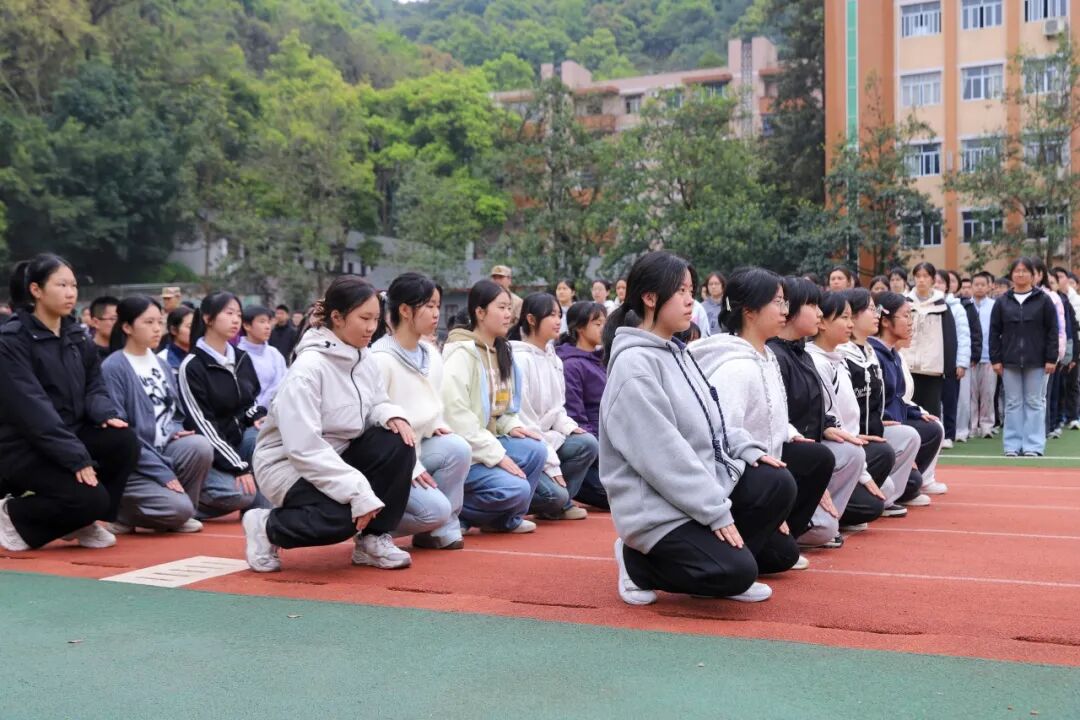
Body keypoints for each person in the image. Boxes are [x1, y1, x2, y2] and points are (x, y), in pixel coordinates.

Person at [602, 253, 794, 606]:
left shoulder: (678, 353)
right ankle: (637, 562)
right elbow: (663, 457)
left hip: (696, 493)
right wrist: (716, 512)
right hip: (658, 509)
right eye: (681, 291)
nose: (690, 300)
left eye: (691, 290)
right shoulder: (634, 365)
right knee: (736, 572)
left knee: (777, 486)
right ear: (650, 297)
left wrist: (746, 448)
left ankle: (721, 562)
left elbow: (713, 419)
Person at [244, 276, 417, 572]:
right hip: (289, 466)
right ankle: (266, 526)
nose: (371, 327)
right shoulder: (308, 370)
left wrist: (390, 414)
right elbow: (304, 449)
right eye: (364, 318)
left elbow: (377, 400)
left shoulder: (364, 358)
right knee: (343, 516)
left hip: (338, 454)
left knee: (397, 439)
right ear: (337, 317)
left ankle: (373, 539)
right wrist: (357, 490)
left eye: (375, 319)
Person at [693, 268, 838, 571]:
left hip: (764, 466)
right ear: (749, 311)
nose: (785, 310)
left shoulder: (766, 356)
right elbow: (722, 437)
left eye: (785, 302)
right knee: (780, 482)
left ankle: (766, 532)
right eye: (778, 302)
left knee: (815, 459)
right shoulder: (734, 367)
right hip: (733, 478)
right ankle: (726, 552)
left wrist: (790, 433)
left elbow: (772, 413)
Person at [0, 254, 139, 552]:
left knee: (123, 441)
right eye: (61, 285)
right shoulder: (12, 340)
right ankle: (13, 514)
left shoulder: (76, 335)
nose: (70, 293)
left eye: (73, 285)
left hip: (68, 434)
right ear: (36, 290)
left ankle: (80, 521)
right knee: (91, 499)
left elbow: (94, 385)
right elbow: (33, 410)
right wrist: (77, 457)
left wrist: (103, 413)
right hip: (23, 446)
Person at [371, 272, 470, 551]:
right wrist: (410, 465)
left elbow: (431, 403)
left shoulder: (431, 355)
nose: (436, 313)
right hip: (391, 458)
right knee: (433, 510)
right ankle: (371, 527)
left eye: (437, 305)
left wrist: (436, 423)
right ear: (404, 310)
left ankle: (441, 529)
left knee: (457, 448)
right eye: (429, 305)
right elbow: (375, 420)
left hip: (419, 444)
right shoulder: (380, 359)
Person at [442, 280, 548, 534]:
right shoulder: (460, 354)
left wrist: (511, 426)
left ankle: (506, 520)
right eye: (501, 307)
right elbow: (457, 418)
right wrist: (497, 455)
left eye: (509, 308)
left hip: (488, 438)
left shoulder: (501, 351)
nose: (508, 314)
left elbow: (503, 409)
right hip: (465, 449)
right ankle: (456, 513)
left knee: (535, 449)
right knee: (518, 489)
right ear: (480, 312)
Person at [767, 278, 866, 549]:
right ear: (791, 309)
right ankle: (799, 523)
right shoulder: (775, 356)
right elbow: (777, 418)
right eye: (812, 305)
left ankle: (818, 516)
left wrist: (826, 426)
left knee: (853, 451)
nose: (819, 313)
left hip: (811, 449)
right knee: (826, 526)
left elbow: (817, 406)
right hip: (786, 452)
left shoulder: (803, 355)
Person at [101, 296, 211, 534]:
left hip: (163, 449)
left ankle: (180, 512)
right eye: (149, 322)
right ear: (127, 327)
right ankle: (122, 511)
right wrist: (162, 473)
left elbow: (175, 414)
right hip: (134, 461)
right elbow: (121, 435)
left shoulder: (161, 364)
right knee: (178, 509)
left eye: (159, 322)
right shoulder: (114, 368)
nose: (157, 329)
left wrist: (175, 431)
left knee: (199, 446)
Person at [178, 291, 269, 518]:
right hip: (211, 456)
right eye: (229, 313)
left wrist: (257, 415)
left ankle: (261, 515)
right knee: (243, 495)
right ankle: (187, 504)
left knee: (262, 434)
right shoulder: (193, 366)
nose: (236, 320)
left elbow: (248, 403)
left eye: (238, 314)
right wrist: (238, 466)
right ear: (208, 319)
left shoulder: (241, 358)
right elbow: (203, 425)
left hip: (237, 444)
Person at [806, 292, 889, 530]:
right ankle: (818, 515)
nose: (850, 324)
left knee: (886, 485)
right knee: (872, 504)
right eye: (844, 317)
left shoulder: (839, 358)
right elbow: (829, 419)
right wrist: (863, 473)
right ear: (822, 322)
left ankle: (838, 504)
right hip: (833, 449)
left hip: (848, 445)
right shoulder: (817, 361)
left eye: (851, 317)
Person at [511, 293, 598, 521]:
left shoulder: (554, 360)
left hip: (547, 437)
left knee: (587, 443)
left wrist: (569, 427)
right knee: (556, 496)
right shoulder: (519, 360)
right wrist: (552, 465)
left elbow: (558, 408)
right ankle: (551, 500)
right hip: (527, 442)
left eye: (559, 314)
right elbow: (524, 420)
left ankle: (558, 499)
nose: (558, 320)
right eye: (551, 315)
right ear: (531, 319)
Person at [839, 289, 921, 515]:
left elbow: (884, 399)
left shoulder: (870, 353)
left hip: (870, 435)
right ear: (853, 316)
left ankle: (879, 494)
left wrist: (881, 420)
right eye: (871, 309)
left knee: (908, 446)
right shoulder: (841, 355)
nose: (877, 315)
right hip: (849, 438)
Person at [869, 292, 946, 504]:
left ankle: (911, 480)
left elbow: (897, 397)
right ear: (885, 321)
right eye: (905, 316)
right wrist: (881, 419)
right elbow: (875, 401)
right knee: (912, 482)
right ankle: (892, 493)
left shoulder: (892, 354)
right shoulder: (874, 354)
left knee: (932, 426)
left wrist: (916, 412)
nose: (911, 322)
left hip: (895, 422)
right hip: (878, 427)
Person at [989, 258, 1058, 457]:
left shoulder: (1043, 300)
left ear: (1033, 275)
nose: (1020, 274)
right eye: (1017, 271)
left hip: (1037, 361)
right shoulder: (1002, 301)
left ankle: (1033, 446)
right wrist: (995, 359)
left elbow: (1052, 331)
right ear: (1011, 274)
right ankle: (1012, 445)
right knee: (1012, 403)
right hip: (1009, 361)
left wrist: (1051, 358)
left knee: (1034, 402)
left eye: (1025, 271)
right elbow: (994, 332)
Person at [556, 301, 608, 509]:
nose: (603, 328)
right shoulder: (571, 365)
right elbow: (576, 419)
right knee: (624, 497)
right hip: (594, 452)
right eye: (597, 323)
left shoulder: (601, 360)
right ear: (579, 328)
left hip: (610, 448)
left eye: (604, 323)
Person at [902, 262, 956, 418]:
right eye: (918, 276)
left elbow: (949, 338)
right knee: (909, 409)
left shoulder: (942, 306)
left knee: (931, 412)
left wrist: (949, 368)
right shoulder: (905, 304)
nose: (921, 280)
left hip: (932, 368)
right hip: (908, 366)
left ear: (932, 279)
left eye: (925, 276)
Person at [933, 270, 970, 448]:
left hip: (950, 363)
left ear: (948, 286)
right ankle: (934, 434)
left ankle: (949, 434)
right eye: (934, 281)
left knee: (950, 400)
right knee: (931, 401)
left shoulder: (956, 307)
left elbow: (964, 337)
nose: (937, 285)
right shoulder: (925, 305)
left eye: (941, 282)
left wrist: (961, 362)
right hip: (930, 363)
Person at [238, 306, 288, 409]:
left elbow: (286, 381)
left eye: (269, 322)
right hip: (250, 414)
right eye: (262, 322)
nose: (268, 327)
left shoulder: (274, 353)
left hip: (277, 412)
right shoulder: (238, 355)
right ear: (247, 325)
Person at [969, 272, 997, 438]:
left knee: (988, 393)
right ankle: (972, 425)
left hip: (989, 357)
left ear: (989, 286)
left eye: (983, 284)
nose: (979, 287)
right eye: (976, 284)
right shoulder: (966, 305)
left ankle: (987, 425)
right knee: (971, 394)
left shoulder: (995, 306)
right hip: (971, 358)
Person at [158, 306, 194, 380]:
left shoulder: (202, 357)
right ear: (173, 330)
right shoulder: (162, 360)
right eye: (190, 327)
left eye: (197, 326)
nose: (196, 330)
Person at [88, 295, 119, 361]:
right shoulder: (85, 354)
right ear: (96, 322)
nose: (119, 323)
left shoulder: (125, 351)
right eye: (114, 319)